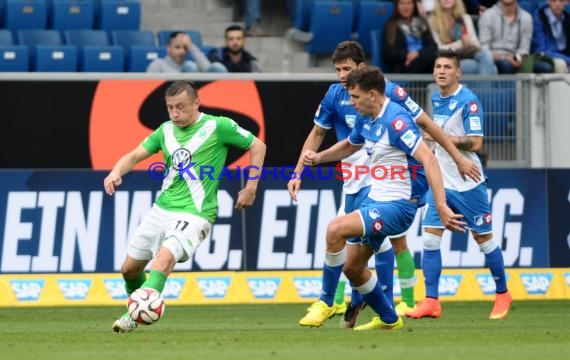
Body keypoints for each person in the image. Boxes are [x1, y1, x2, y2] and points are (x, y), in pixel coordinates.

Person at [288, 40, 480, 328]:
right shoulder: (363, 116)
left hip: (396, 200)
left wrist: (440, 202)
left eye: (348, 72)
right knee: (353, 266)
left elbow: (428, 151)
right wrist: (312, 161)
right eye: (338, 70)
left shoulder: (396, 115)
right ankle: (388, 317)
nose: (348, 98)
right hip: (368, 189)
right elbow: (348, 144)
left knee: (336, 229)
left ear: (370, 88)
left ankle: (330, 301)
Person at [104, 80, 266, 332]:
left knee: (163, 259)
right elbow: (135, 155)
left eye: (180, 107)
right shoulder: (165, 130)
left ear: (196, 103)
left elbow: (258, 145)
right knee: (129, 269)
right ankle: (138, 307)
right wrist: (116, 171)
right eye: (170, 108)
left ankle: (133, 316)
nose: (175, 113)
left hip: (196, 213)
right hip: (162, 208)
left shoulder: (217, 126)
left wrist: (251, 186)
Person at [406, 49, 512, 320]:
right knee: (429, 239)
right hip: (441, 181)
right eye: (438, 66)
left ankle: (502, 293)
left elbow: (476, 143)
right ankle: (431, 301)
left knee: (484, 239)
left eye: (447, 67)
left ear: (458, 72)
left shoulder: (469, 101)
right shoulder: (435, 99)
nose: (441, 71)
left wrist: (442, 138)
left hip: (467, 182)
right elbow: (436, 137)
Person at [478, 0, 553, 73]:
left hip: (516, 57)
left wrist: (517, 58)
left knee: (545, 67)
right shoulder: (488, 15)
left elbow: (524, 48)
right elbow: (484, 49)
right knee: (506, 65)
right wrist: (505, 58)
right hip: (494, 59)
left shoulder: (526, 17)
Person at [428, 0, 497, 75]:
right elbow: (439, 49)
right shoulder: (433, 20)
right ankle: (483, 87)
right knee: (492, 69)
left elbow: (476, 43)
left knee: (486, 54)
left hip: (469, 53)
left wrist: (468, 42)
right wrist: (460, 43)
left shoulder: (465, 17)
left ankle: (481, 87)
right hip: (450, 58)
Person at [382, 0, 438, 74]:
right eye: (402, 3)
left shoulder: (420, 22)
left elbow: (433, 46)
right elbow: (388, 54)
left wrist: (418, 53)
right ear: (397, 6)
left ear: (414, 5)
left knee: (438, 58)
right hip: (404, 65)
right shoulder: (390, 26)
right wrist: (407, 54)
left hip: (424, 58)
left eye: (409, 3)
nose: (406, 7)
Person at [147, 32, 227, 73]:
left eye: (185, 48)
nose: (182, 51)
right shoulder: (158, 64)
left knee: (217, 67)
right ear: (168, 48)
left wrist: (191, 46)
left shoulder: (193, 67)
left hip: (193, 101)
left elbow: (209, 69)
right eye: (177, 47)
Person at [532, 0, 570, 73]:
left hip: (564, 56)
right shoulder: (539, 17)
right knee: (561, 64)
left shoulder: (568, 19)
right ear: (548, 1)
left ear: (567, 2)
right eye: (553, 0)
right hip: (545, 56)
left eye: (561, 1)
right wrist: (567, 59)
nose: (557, 4)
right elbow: (541, 49)